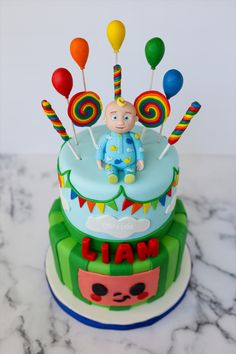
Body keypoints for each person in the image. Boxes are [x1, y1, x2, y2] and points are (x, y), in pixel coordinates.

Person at [96, 97, 144, 184]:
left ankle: (129, 173)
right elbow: (100, 148)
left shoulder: (134, 136)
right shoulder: (106, 137)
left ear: (135, 119)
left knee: (130, 169)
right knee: (110, 168)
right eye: (114, 117)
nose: (121, 122)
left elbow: (139, 148)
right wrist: (99, 159)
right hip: (111, 163)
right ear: (105, 119)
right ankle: (112, 174)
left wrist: (140, 159)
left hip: (130, 162)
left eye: (126, 117)